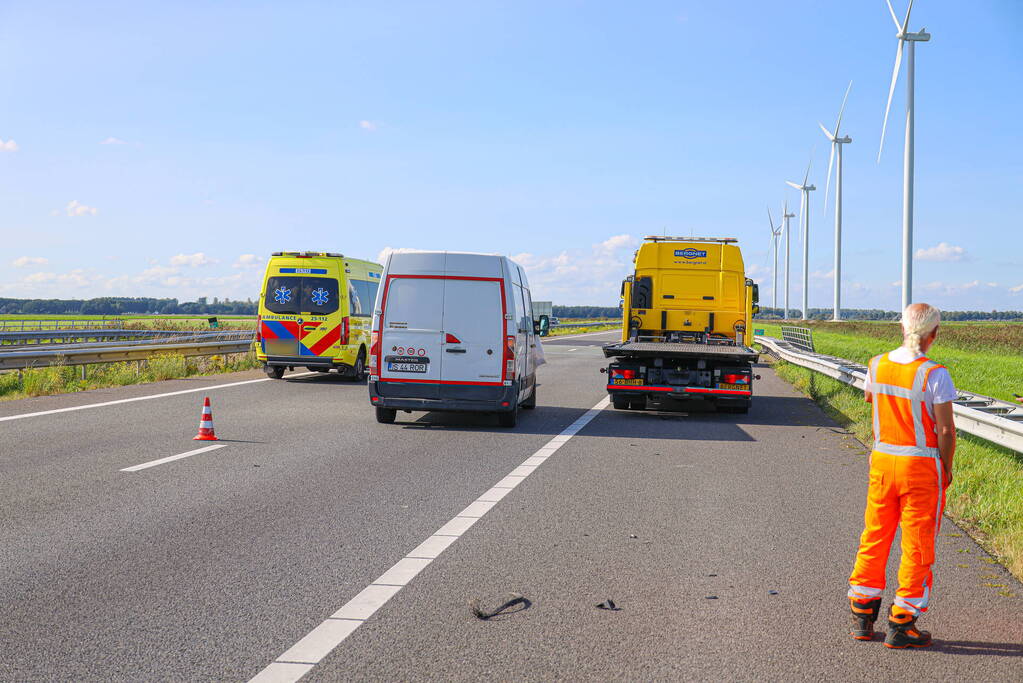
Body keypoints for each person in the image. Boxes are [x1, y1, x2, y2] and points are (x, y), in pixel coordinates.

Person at [847, 303, 957, 648]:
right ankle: (902, 622)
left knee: (875, 536)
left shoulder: (876, 365)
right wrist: (947, 466)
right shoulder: (934, 373)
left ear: (901, 329)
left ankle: (863, 614)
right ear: (933, 334)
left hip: (882, 463)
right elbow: (945, 430)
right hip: (921, 468)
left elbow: (870, 398)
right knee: (917, 545)